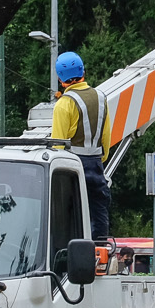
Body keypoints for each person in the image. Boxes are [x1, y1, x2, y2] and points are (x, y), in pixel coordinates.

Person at [49, 50, 111, 241]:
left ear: (61, 79)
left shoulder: (64, 104)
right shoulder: (101, 98)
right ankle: (99, 249)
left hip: (71, 168)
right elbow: (106, 136)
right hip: (96, 164)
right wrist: (101, 158)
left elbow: (57, 145)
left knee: (71, 215)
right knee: (99, 210)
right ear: (83, 71)